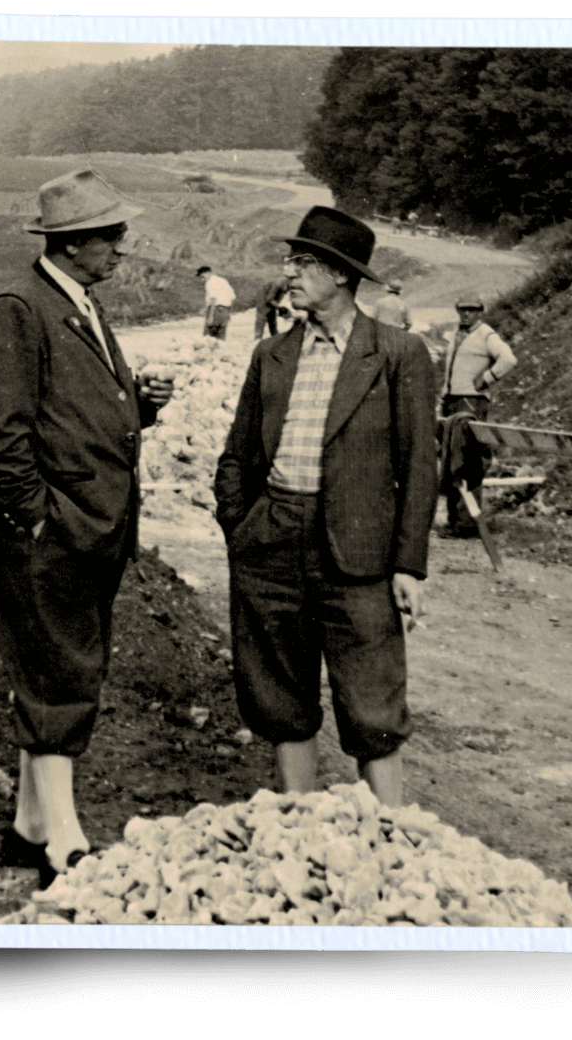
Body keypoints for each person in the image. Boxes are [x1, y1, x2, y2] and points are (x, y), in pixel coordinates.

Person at [0, 169, 176, 887]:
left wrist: (141, 404)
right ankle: (64, 841)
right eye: (111, 236)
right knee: (60, 674)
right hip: (51, 532)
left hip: (89, 527)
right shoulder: (17, 309)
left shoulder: (78, 305)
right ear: (71, 243)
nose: (122, 247)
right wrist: (39, 520)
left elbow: (77, 414)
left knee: (57, 668)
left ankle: (30, 826)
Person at [213, 206, 437, 809]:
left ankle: (389, 832)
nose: (289, 273)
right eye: (290, 261)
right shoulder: (272, 355)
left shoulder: (397, 353)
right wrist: (243, 528)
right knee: (280, 696)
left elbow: (420, 468)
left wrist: (408, 565)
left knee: (373, 704)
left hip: (359, 551)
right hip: (272, 541)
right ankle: (297, 822)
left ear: (340, 274)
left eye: (304, 262)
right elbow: (237, 456)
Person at [439, 296, 516, 536]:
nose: (466, 314)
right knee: (451, 460)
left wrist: (487, 379)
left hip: (471, 402)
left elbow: (509, 359)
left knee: (469, 461)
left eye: (472, 310)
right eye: (462, 310)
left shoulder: (486, 334)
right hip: (452, 401)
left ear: (480, 312)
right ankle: (455, 520)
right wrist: (444, 393)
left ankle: (467, 524)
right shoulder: (456, 334)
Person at [255, 262, 296, 339]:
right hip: (263, 299)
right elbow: (269, 299)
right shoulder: (278, 283)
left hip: (273, 300)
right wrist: (279, 307)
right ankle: (258, 338)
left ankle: (274, 337)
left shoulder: (288, 283)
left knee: (272, 319)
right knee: (262, 317)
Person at [199, 265, 236, 340]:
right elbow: (232, 297)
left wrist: (211, 316)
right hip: (225, 311)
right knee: (220, 339)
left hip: (215, 311)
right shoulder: (223, 281)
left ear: (208, 273)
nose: (202, 279)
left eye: (202, 276)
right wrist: (227, 313)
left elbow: (213, 299)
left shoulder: (209, 282)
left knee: (208, 339)